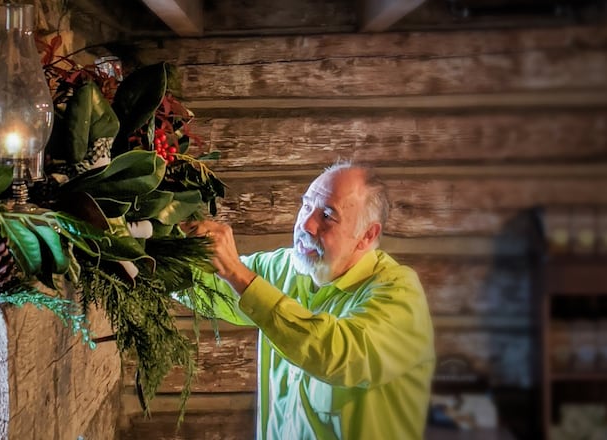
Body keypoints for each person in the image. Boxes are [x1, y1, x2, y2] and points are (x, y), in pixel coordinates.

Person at [181, 161, 435, 439]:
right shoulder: (284, 268)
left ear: (367, 235)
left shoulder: (398, 292)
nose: (306, 224)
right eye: (305, 206)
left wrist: (238, 275)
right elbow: (206, 287)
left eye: (327, 215)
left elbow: (338, 354)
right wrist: (151, 235)